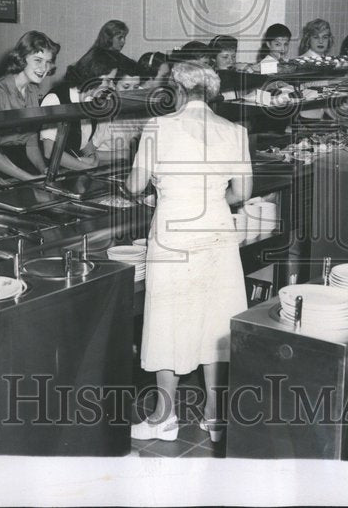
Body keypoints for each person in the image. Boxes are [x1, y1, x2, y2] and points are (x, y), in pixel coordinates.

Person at [126, 62, 252, 443]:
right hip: (217, 230)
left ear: (178, 91)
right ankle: (215, 419)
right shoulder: (235, 131)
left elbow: (134, 186)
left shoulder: (158, 127)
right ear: (209, 94)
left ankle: (164, 418)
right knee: (216, 321)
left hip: (173, 232)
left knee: (168, 320)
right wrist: (213, 198)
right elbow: (242, 194)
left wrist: (156, 191)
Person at [0, 31, 59, 181]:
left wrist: (44, 170)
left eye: (48, 62)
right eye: (38, 60)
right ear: (22, 59)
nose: (44, 68)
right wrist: (28, 178)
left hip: (22, 165)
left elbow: (30, 141)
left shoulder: (32, 91)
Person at [40, 48, 121, 166]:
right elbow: (49, 151)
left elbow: (84, 142)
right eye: (108, 81)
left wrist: (92, 157)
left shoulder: (91, 101)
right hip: (50, 170)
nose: (112, 87)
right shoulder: (55, 99)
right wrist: (85, 168)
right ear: (94, 76)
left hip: (75, 168)